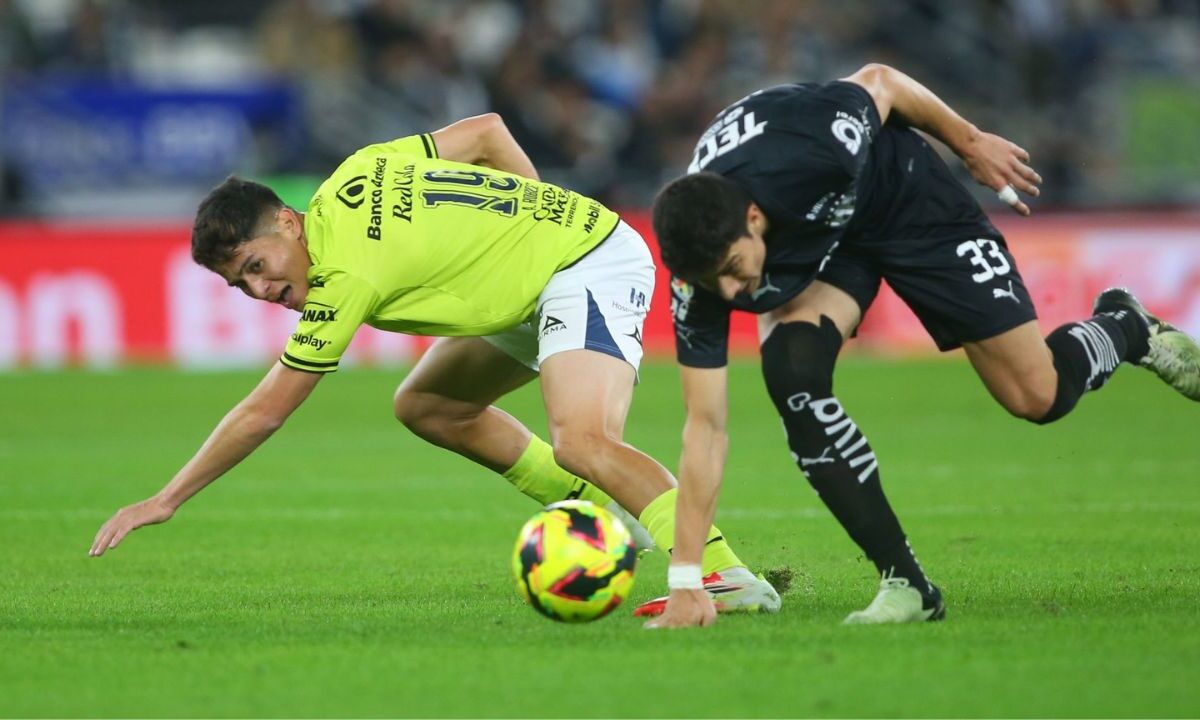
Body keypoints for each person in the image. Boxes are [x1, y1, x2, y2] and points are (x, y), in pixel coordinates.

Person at [88, 113, 781, 618]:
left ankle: (721, 573)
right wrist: (531, 224)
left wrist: (167, 499)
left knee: (583, 440)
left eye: (256, 267)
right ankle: (607, 515)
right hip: (539, 274)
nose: (263, 292)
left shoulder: (342, 279)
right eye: (242, 286)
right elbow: (486, 132)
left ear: (289, 225)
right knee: (428, 405)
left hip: (588, 260)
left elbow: (265, 410)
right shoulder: (351, 177)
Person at [644, 63, 1200, 628]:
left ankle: (1127, 328)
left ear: (755, 218)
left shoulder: (810, 147)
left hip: (907, 202)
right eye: (718, 283)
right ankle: (907, 583)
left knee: (1038, 395)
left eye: (736, 269)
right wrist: (686, 579)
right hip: (830, 250)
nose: (735, 293)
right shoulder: (700, 272)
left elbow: (880, 81)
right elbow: (705, 426)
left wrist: (971, 142)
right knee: (793, 377)